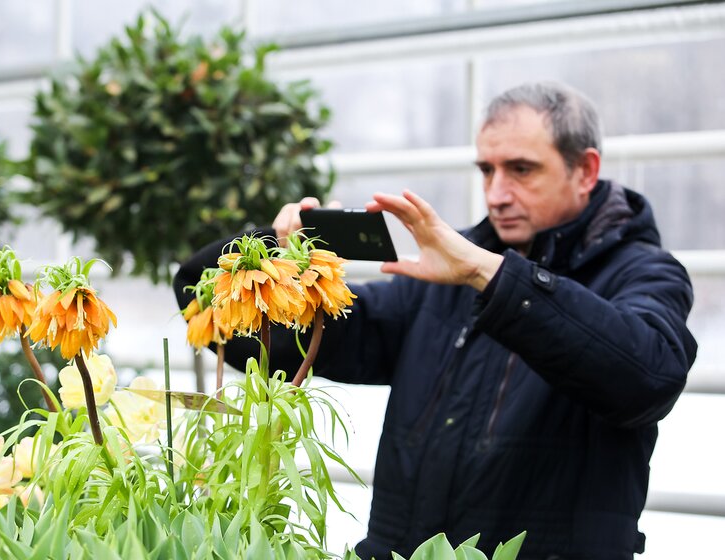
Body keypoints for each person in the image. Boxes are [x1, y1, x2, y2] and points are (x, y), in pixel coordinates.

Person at [173, 82, 697, 560]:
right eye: (487, 170)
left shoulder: (643, 272)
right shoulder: (449, 274)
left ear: (585, 170)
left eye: (521, 169)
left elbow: (647, 378)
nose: (496, 193)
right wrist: (272, 262)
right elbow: (277, 335)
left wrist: (489, 275)